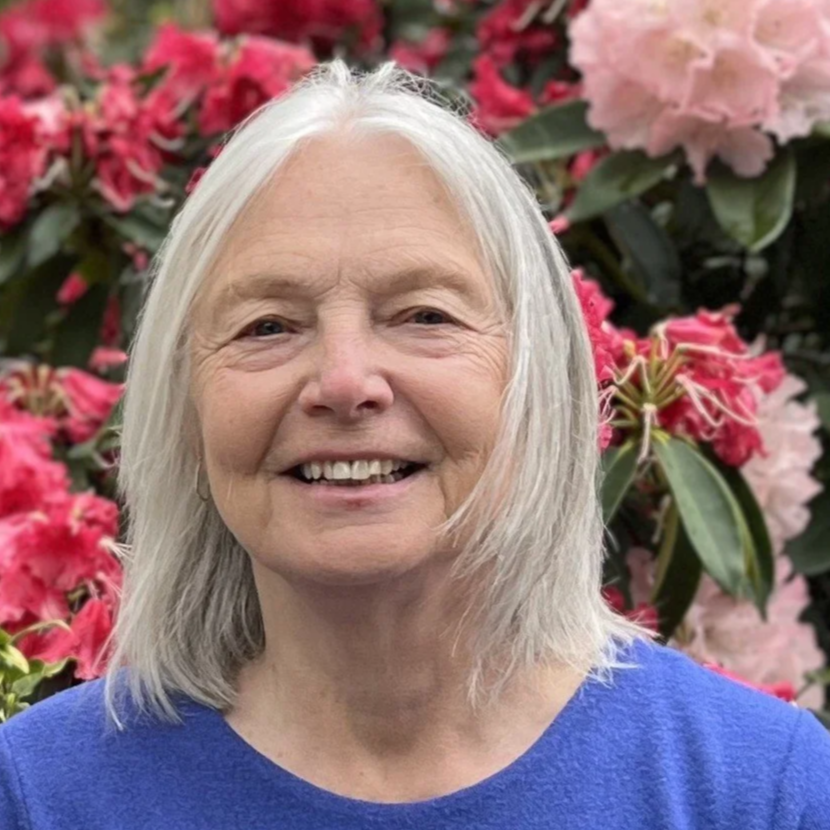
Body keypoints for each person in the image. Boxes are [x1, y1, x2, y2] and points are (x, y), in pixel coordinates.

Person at [1, 59, 829, 830]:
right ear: (183, 403)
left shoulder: (762, 793)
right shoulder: (41, 796)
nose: (345, 381)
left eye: (424, 315)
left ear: (536, 376)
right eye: (268, 326)